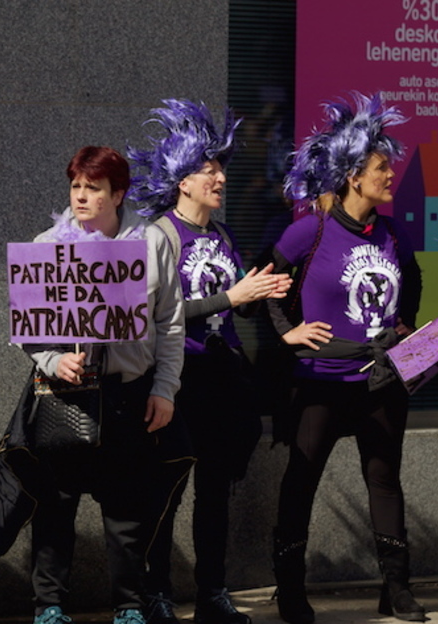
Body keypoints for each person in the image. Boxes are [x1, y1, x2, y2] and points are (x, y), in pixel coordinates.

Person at [127, 99, 291, 624]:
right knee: (165, 493)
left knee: (215, 496)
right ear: (182, 180)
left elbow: (241, 297)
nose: (220, 176)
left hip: (223, 378)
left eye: (220, 166)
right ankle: (154, 594)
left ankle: (212, 594)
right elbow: (158, 317)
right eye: (208, 168)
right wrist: (232, 298)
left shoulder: (222, 235)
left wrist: (269, 302)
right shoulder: (160, 236)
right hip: (179, 378)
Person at [267, 93, 424, 623]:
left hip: (382, 382)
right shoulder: (309, 231)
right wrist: (287, 333)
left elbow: (414, 279)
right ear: (353, 176)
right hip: (321, 380)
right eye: (381, 167)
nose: (390, 174)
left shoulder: (393, 232)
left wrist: (403, 326)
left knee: (385, 480)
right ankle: (289, 590)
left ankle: (397, 588)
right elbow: (265, 285)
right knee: (300, 483)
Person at [23, 146, 184, 624]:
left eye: (93, 188)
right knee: (55, 505)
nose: (81, 196)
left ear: (118, 193)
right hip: (66, 393)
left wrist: (164, 389)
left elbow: (171, 325)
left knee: (127, 510)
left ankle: (129, 607)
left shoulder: (153, 242)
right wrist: (53, 360)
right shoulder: (47, 244)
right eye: (75, 186)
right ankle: (49, 605)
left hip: (128, 394)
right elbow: (28, 328)